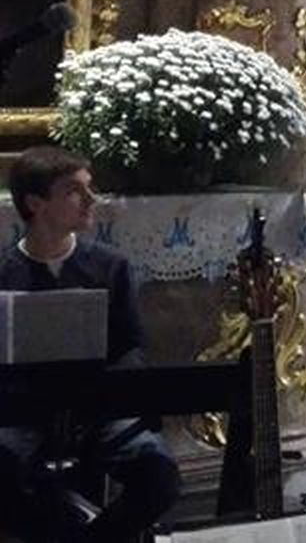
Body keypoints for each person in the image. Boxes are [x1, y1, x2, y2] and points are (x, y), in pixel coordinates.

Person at [0, 147, 181, 542]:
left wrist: (111, 390)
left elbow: (131, 347)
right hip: (21, 414)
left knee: (159, 474)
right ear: (35, 204)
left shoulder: (110, 266)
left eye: (89, 187)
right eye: (73, 191)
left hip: (101, 411)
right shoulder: (4, 273)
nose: (90, 199)